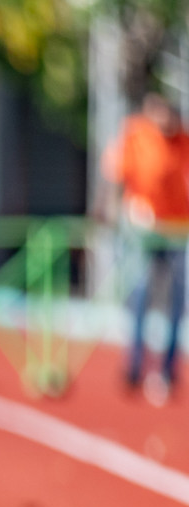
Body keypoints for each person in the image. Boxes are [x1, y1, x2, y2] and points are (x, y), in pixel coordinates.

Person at [104, 92, 189, 404]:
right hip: (144, 228)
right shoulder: (136, 135)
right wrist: (112, 210)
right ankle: (135, 364)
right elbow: (117, 174)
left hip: (178, 229)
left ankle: (168, 368)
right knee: (141, 293)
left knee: (178, 299)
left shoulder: (183, 140)